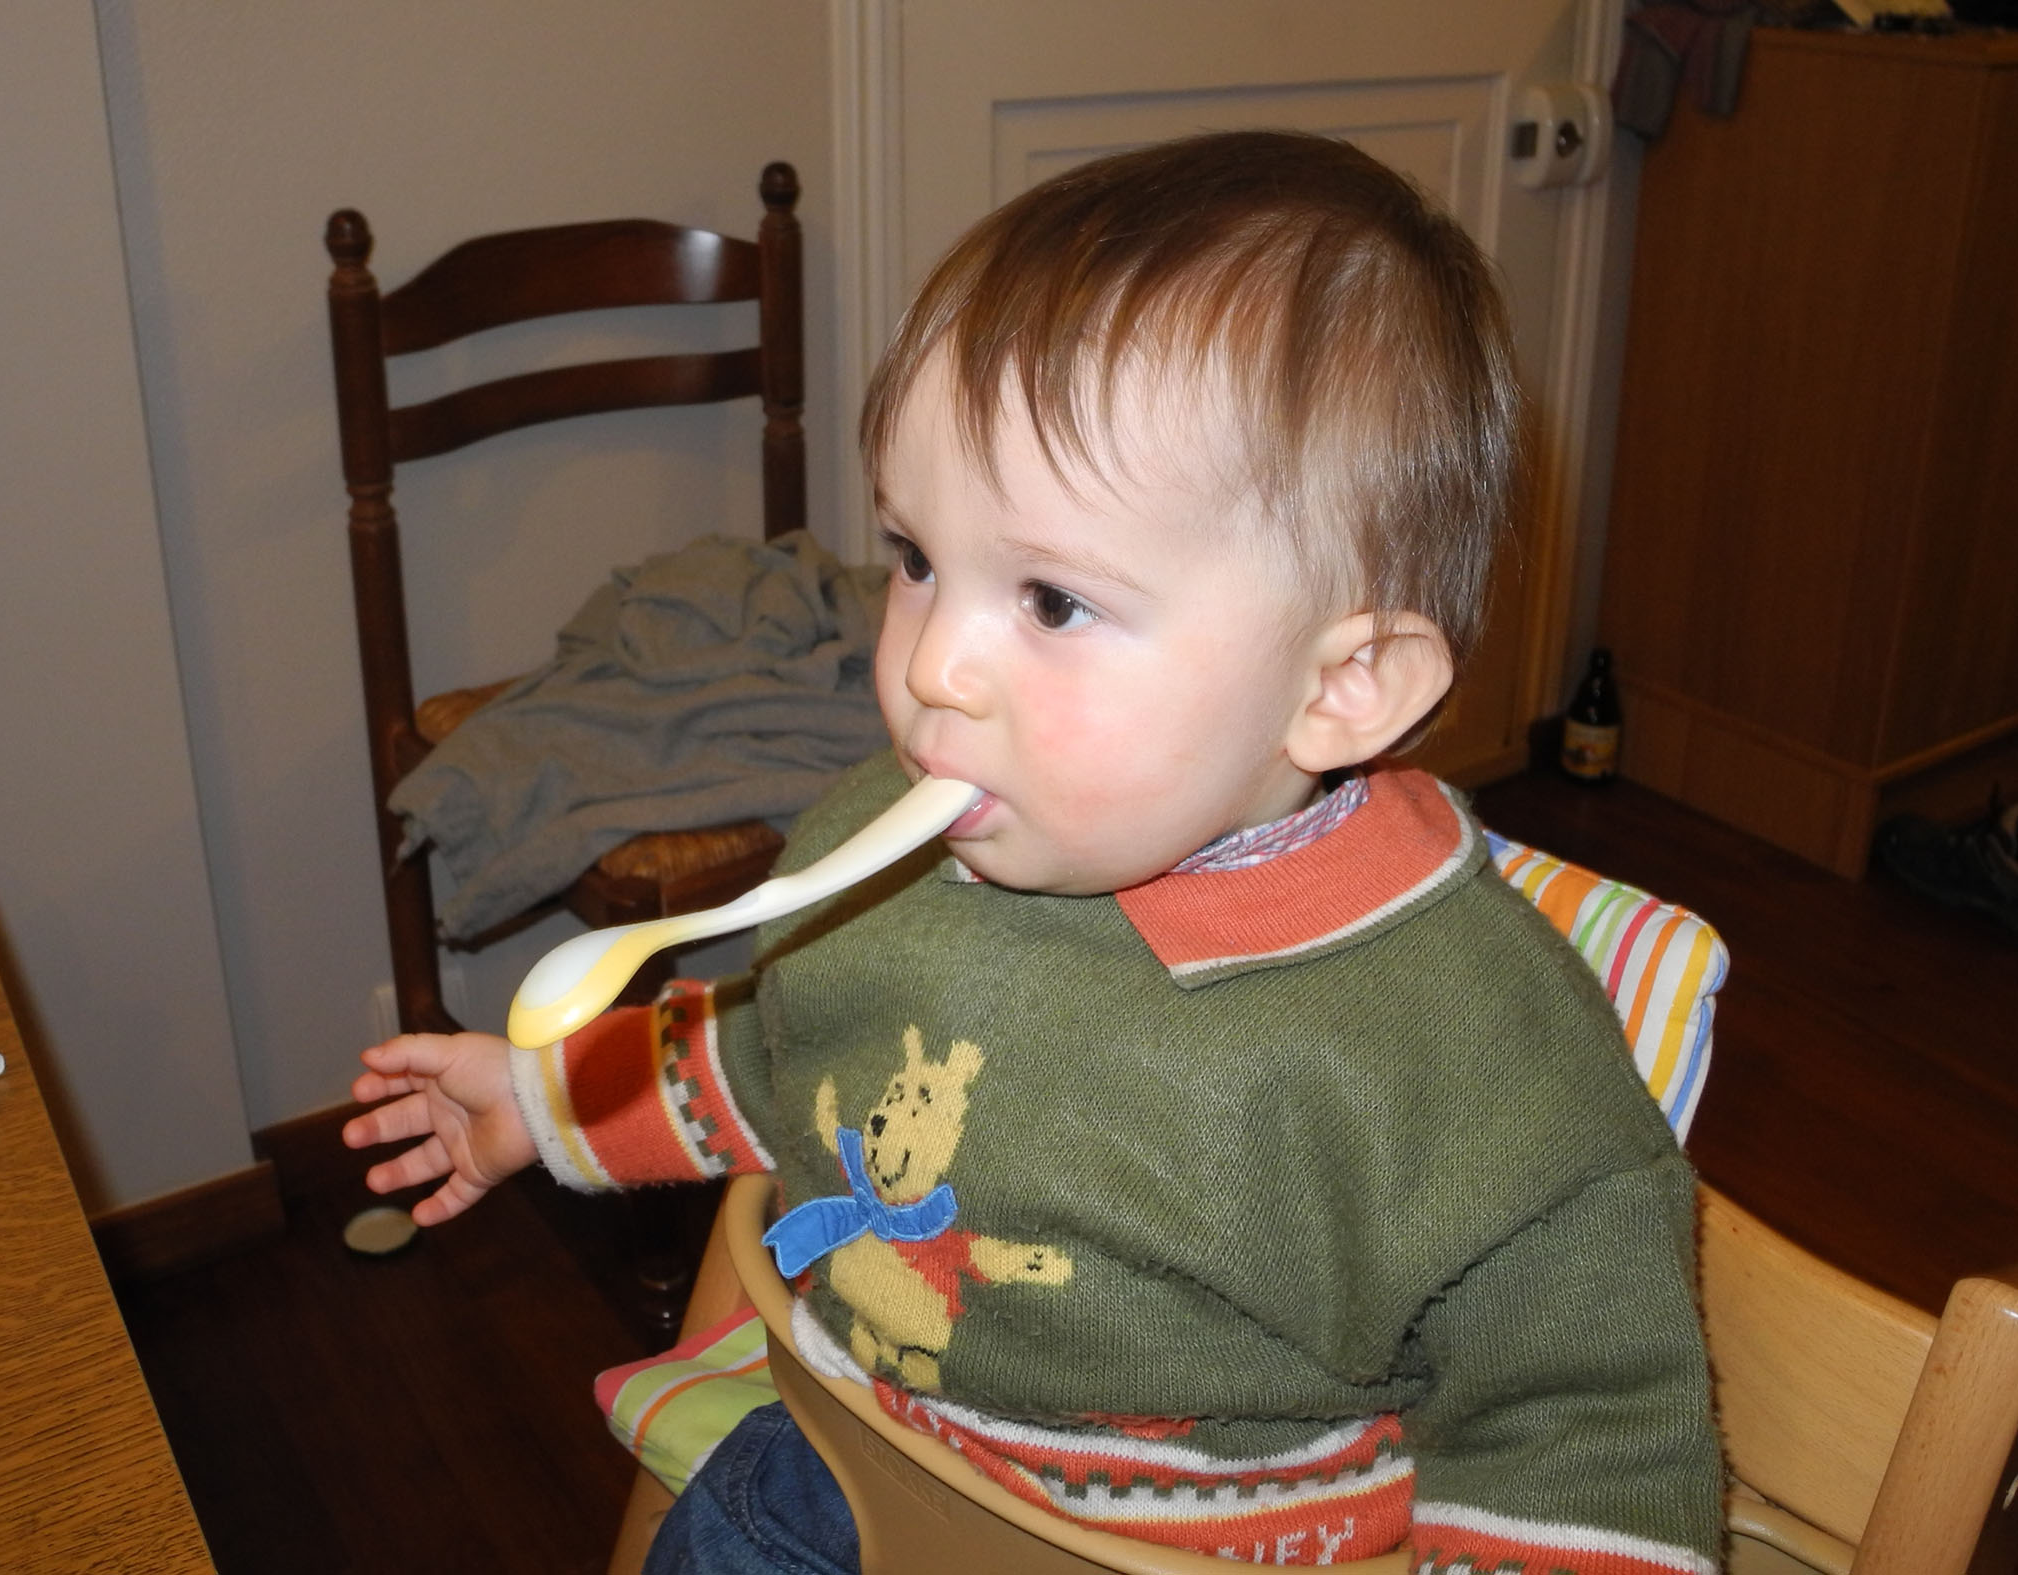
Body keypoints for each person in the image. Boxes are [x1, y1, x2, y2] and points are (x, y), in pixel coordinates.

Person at [345, 131, 1723, 1573]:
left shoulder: (1467, 1052)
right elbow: (786, 1050)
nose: (930, 666)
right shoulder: (887, 849)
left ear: (1344, 686)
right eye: (917, 559)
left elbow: (1586, 1428)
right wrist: (551, 1100)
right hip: (839, 1472)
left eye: (1053, 603)